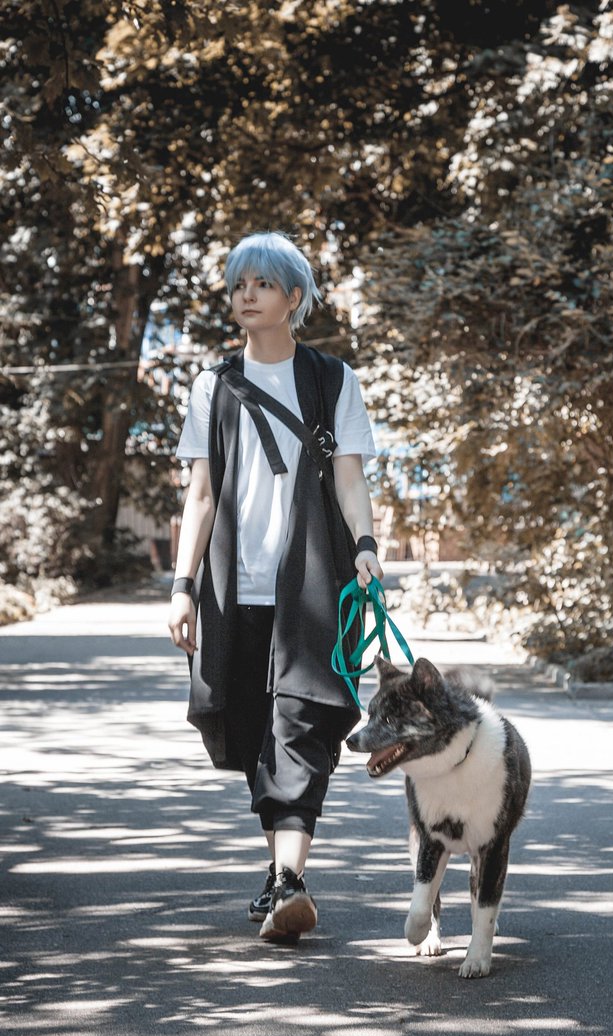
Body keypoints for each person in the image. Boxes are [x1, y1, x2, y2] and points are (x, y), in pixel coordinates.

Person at [168, 230, 382, 944]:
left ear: (293, 297)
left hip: (315, 583)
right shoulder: (213, 386)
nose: (246, 295)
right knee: (252, 730)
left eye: (261, 283)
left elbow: (349, 478)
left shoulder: (331, 379)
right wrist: (182, 586)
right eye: (238, 284)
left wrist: (366, 546)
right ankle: (282, 878)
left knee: (302, 724)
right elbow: (201, 495)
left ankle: (289, 879)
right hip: (233, 588)